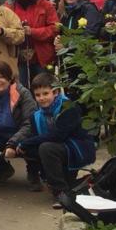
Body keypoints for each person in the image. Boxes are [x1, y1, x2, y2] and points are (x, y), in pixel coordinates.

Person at [16, 73, 97, 207]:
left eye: (46, 93)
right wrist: (18, 145)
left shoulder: (68, 107)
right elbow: (37, 139)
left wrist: (26, 143)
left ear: (56, 92)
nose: (41, 98)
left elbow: (58, 136)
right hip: (57, 149)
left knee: (45, 147)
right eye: (38, 95)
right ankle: (50, 180)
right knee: (30, 148)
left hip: (76, 149)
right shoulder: (36, 115)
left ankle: (61, 194)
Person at [7, 0, 58, 86]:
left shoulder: (45, 5)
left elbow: (55, 28)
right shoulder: (8, 7)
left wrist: (32, 31)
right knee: (21, 92)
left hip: (42, 58)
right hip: (18, 59)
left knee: (43, 90)